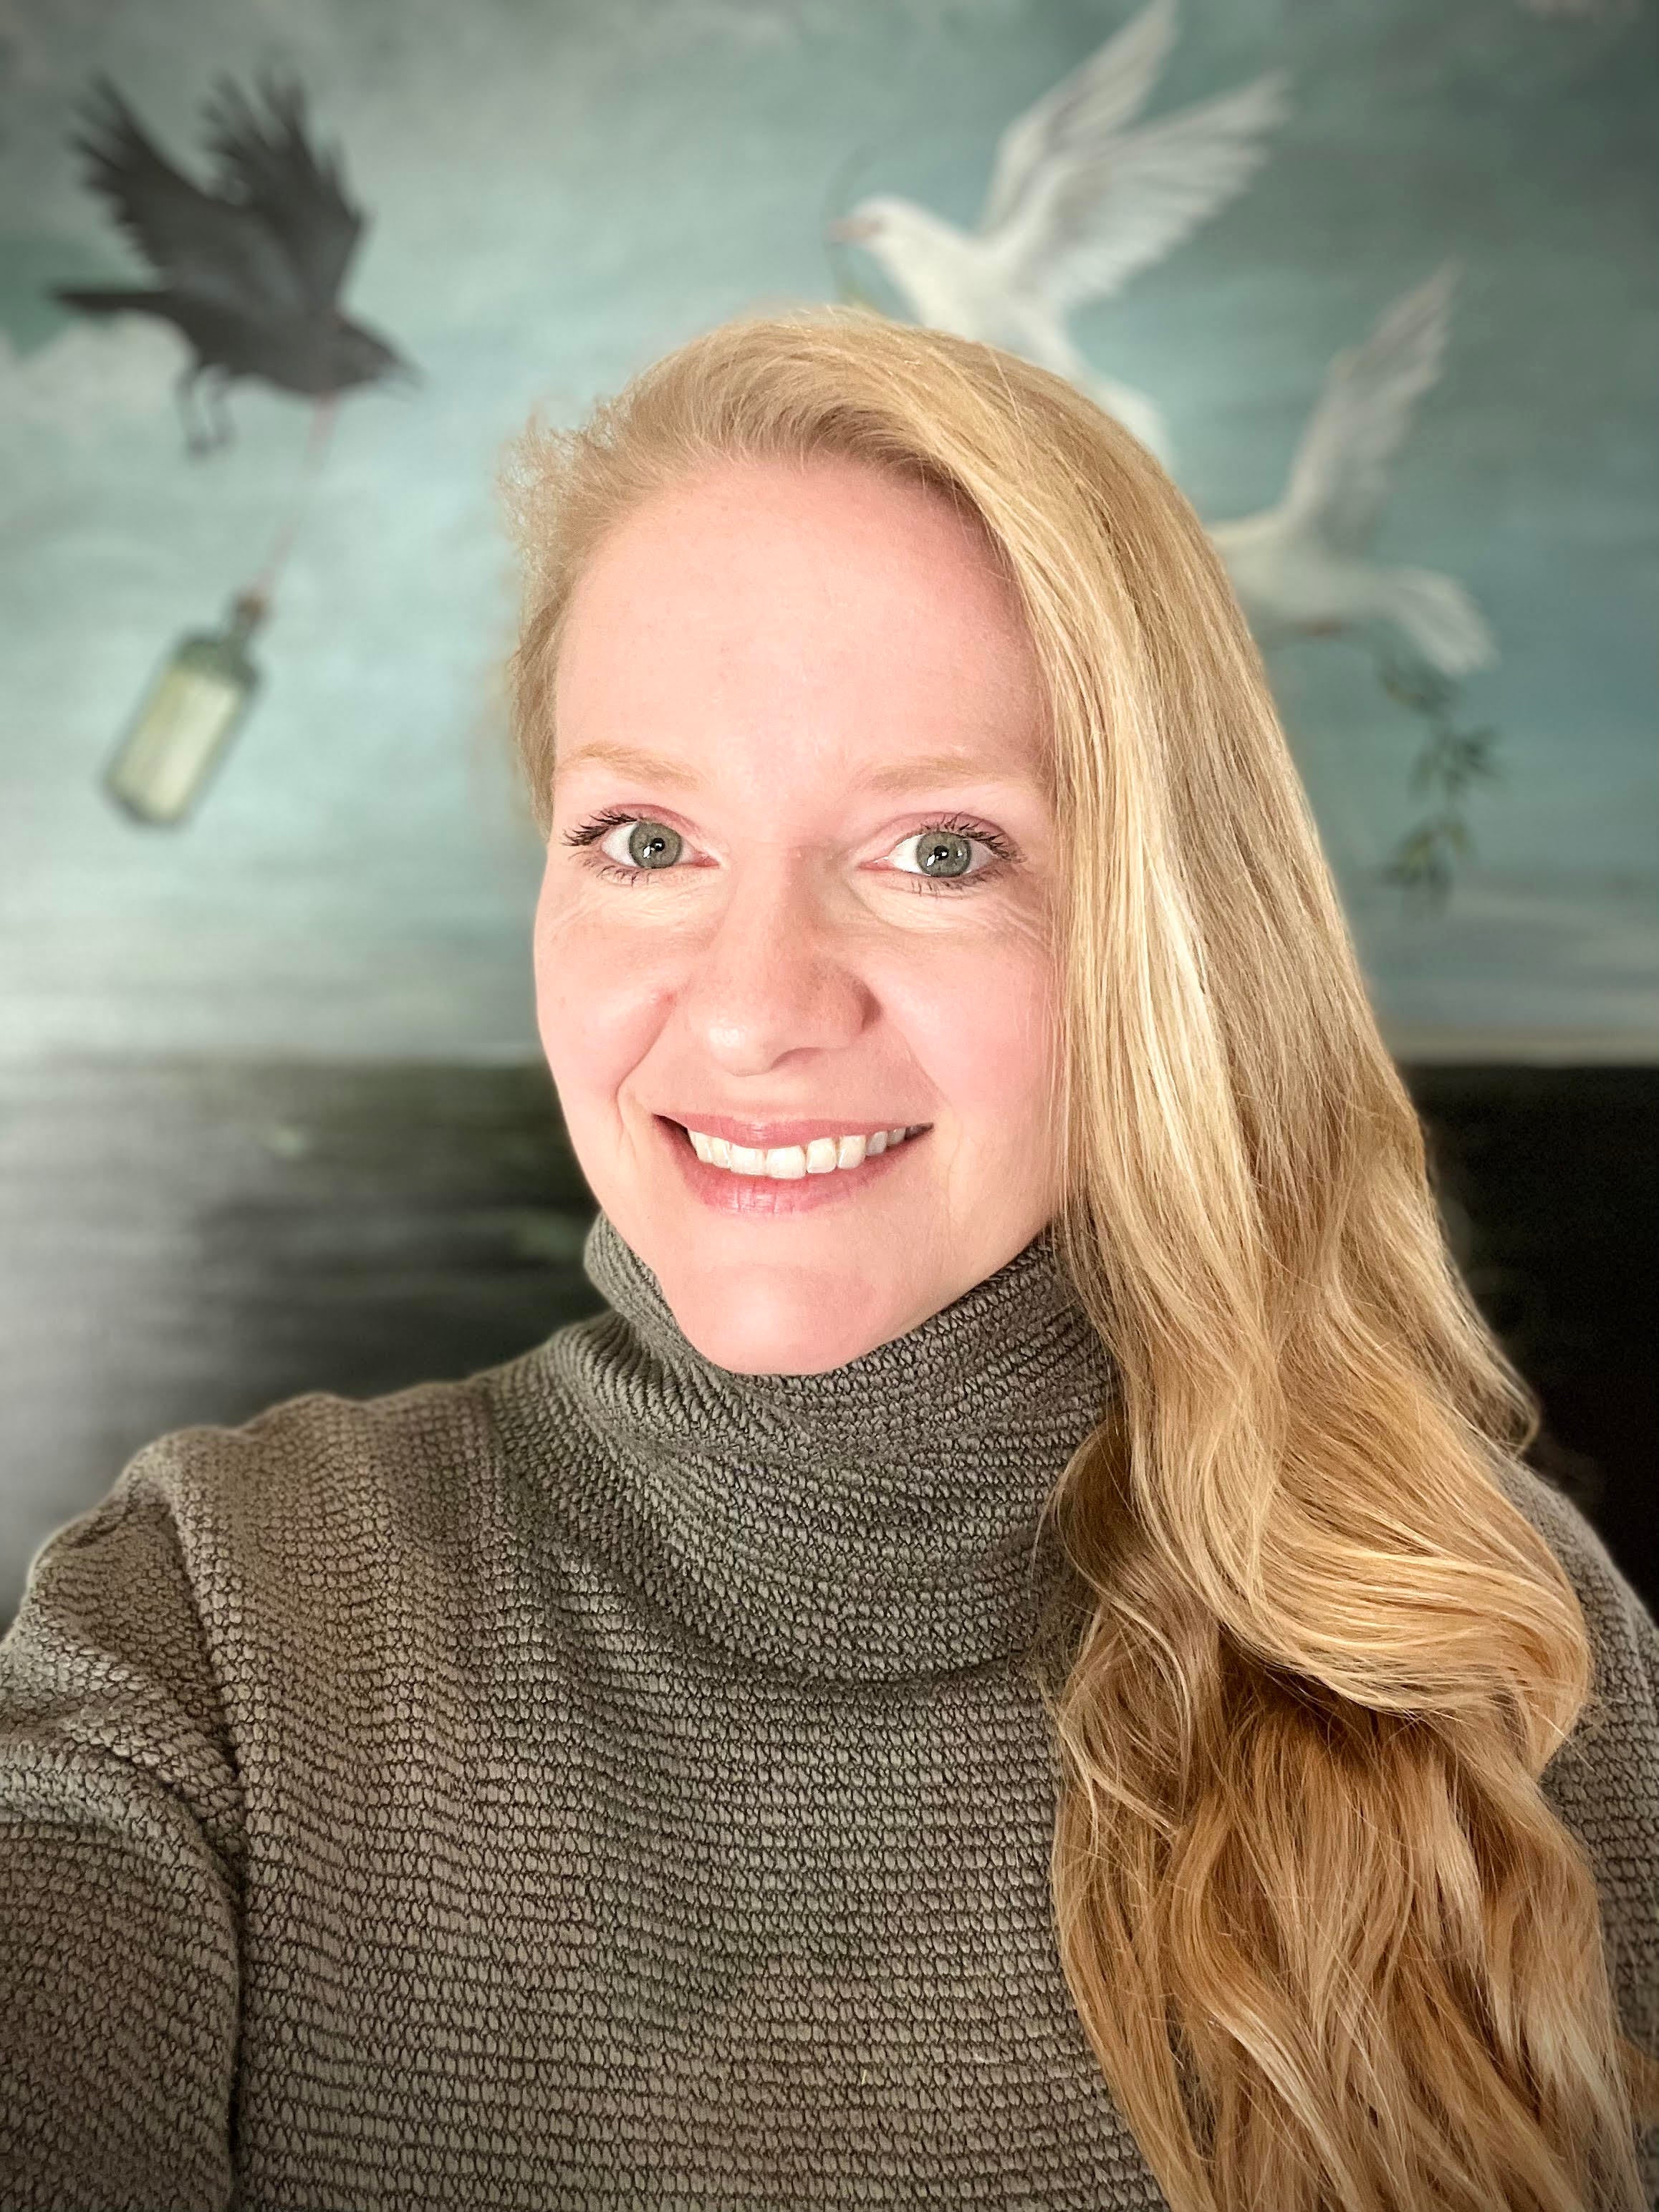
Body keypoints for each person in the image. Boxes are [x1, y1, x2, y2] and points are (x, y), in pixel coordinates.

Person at [1, 307, 1655, 2212]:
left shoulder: (1493, 1654)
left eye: (939, 853)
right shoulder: (209, 1627)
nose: (755, 1011)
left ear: (1162, 936)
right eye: (646, 841)